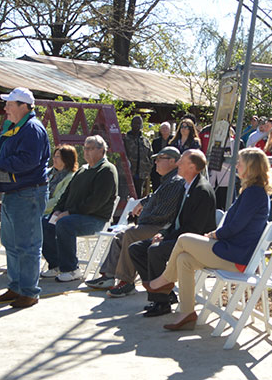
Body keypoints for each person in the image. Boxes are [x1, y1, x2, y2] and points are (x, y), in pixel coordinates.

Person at [145, 147, 271, 331]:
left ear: (251, 167)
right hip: (232, 251)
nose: (236, 166)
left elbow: (235, 227)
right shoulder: (251, 191)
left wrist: (213, 235)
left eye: (240, 163)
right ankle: (187, 314)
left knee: (185, 239)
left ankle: (165, 280)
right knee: (184, 259)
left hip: (237, 257)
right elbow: (234, 224)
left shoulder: (254, 193)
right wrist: (214, 236)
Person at [128, 149, 217, 318]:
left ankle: (161, 302)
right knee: (136, 249)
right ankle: (165, 294)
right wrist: (162, 233)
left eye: (181, 162)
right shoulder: (186, 186)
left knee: (155, 250)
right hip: (179, 237)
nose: (177, 164)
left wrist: (166, 238)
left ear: (191, 167)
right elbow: (175, 220)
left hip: (195, 243)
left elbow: (193, 229)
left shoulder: (202, 190)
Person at [88, 146, 186, 296]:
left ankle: (126, 282)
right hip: (153, 225)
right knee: (120, 237)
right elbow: (155, 197)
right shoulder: (168, 180)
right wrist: (143, 203)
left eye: (160, 159)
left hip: (163, 229)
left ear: (173, 161)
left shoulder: (176, 181)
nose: (156, 163)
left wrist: (141, 219)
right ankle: (108, 276)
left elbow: (163, 214)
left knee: (131, 234)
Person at [0, 87, 52, 309]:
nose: (5, 107)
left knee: (27, 245)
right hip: (15, 191)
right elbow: (3, 156)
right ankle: (16, 288)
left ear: (23, 106)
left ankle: (29, 292)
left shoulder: (32, 129)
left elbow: (27, 161)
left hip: (27, 192)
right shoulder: (18, 127)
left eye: (10, 103)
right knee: (12, 243)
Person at [41, 135, 117, 282]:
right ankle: (56, 265)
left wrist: (69, 212)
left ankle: (72, 269)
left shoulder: (106, 170)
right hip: (73, 214)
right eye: (85, 148)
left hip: (95, 218)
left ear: (101, 150)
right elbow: (67, 193)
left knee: (65, 224)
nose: (86, 152)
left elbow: (96, 202)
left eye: (90, 148)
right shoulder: (83, 170)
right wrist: (57, 210)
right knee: (45, 223)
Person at [123, 115, 153, 198]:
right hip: (128, 174)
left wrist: (147, 168)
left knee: (138, 197)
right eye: (135, 123)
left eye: (139, 123)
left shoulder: (145, 141)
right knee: (126, 197)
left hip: (141, 175)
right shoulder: (125, 139)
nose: (137, 125)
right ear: (131, 124)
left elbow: (150, 156)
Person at [44, 145, 77, 216]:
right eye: (54, 156)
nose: (54, 159)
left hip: (54, 213)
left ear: (66, 159)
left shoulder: (71, 178)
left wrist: (38, 207)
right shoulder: (48, 172)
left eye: (57, 156)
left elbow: (57, 200)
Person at [150, 122, 173, 190]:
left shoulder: (174, 140)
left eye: (166, 128)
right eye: (163, 128)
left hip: (170, 166)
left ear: (170, 130)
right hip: (158, 166)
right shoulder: (155, 141)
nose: (164, 130)